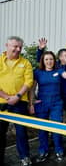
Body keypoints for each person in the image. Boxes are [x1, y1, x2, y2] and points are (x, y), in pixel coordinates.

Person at [29, 50, 66, 163]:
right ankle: (43, 151)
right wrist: (32, 102)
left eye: (51, 59)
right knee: (42, 129)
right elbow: (32, 88)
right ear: (43, 61)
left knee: (56, 127)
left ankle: (59, 150)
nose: (49, 61)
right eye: (46, 59)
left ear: (54, 60)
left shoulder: (59, 70)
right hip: (41, 103)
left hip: (56, 104)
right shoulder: (38, 72)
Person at [0, 36, 33, 166]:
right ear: (7, 45)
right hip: (2, 102)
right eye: (15, 46)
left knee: (21, 132)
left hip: (20, 102)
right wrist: (7, 97)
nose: (18, 49)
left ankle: (24, 157)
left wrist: (17, 96)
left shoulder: (25, 63)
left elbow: (29, 81)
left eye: (20, 47)